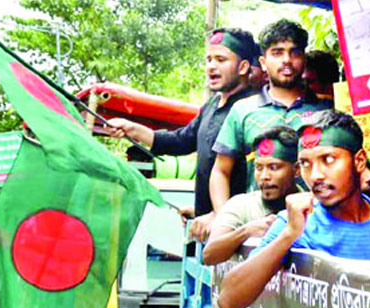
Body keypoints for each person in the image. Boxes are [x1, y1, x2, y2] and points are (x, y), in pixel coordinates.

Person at [217, 110, 370, 308]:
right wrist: (288, 235)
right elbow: (228, 301)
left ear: (359, 161)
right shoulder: (295, 223)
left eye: (328, 160)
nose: (315, 175)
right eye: (305, 163)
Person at [107, 28, 258, 241]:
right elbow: (181, 141)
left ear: (243, 67)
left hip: (239, 232)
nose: (211, 66)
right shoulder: (212, 106)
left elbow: (253, 179)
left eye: (221, 59)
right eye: (209, 59)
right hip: (209, 227)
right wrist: (132, 129)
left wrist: (220, 215)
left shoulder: (252, 110)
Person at [209, 19, 331, 222]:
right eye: (277, 52)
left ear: (303, 59)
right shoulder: (243, 110)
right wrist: (226, 221)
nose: (287, 60)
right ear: (264, 62)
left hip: (317, 225)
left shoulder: (326, 109)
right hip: (258, 226)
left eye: (294, 52)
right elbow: (221, 171)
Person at [203, 126, 301, 265]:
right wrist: (245, 232)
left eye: (273, 167)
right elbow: (209, 255)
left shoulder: (309, 206)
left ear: (296, 169)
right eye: (259, 168)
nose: (264, 176)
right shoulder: (241, 205)